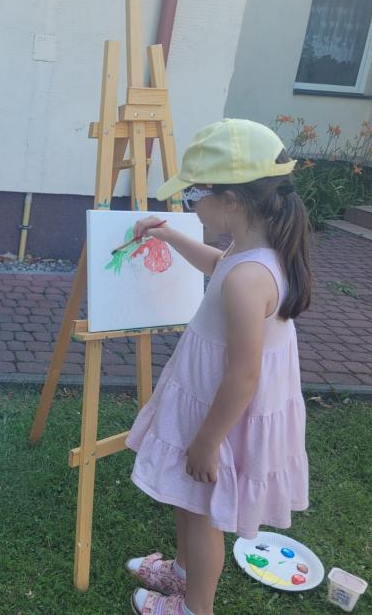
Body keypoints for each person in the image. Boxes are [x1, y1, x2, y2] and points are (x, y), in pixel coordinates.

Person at [124, 119, 313, 615]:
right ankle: (182, 573)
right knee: (188, 499)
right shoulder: (249, 251)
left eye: (193, 195)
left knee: (202, 512)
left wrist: (208, 441)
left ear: (229, 200)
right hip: (211, 405)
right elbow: (216, 264)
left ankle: (195, 607)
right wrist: (168, 234)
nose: (190, 205)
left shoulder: (250, 278)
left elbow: (244, 374)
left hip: (221, 418)